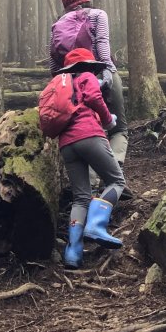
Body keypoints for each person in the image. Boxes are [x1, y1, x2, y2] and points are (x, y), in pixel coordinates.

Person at [55, 47, 127, 269]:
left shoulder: (63, 85)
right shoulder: (86, 76)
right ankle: (96, 225)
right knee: (117, 180)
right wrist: (108, 120)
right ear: (87, 65)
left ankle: (72, 253)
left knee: (81, 198)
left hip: (66, 143)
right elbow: (95, 97)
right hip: (89, 135)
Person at [49, 0, 129, 168]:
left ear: (66, 4)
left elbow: (53, 61)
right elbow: (102, 44)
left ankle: (91, 180)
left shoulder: (57, 25)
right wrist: (108, 71)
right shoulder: (98, 15)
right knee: (119, 129)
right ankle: (115, 172)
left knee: (88, 129)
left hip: (70, 82)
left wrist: (59, 84)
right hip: (100, 72)